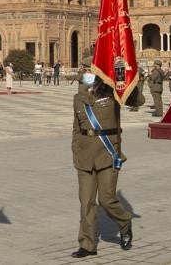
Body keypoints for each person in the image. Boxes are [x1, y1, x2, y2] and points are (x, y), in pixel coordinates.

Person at [71, 68, 133, 257]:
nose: (86, 73)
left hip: (107, 153)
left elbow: (137, 100)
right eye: (85, 70)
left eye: (90, 70)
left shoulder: (112, 93)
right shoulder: (78, 97)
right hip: (85, 156)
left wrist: (126, 79)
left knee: (106, 200)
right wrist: (75, 150)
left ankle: (124, 222)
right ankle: (87, 244)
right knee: (86, 202)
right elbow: (76, 128)